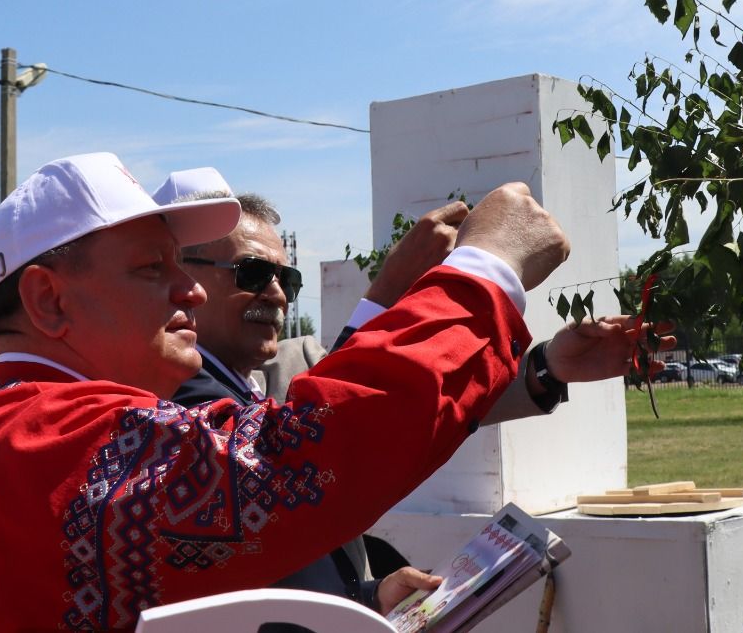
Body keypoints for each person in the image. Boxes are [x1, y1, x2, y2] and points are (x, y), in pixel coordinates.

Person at [0, 152, 569, 632]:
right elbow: (303, 460)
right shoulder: (40, 438)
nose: (192, 290)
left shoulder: (2, 433)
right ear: (49, 303)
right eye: (151, 268)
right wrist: (487, 268)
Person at [153, 167, 676, 616]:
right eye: (252, 272)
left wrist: (367, 600)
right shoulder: (174, 396)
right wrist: (483, 268)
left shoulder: (239, 383)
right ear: (184, 283)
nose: (275, 293)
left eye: (285, 278)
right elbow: (344, 430)